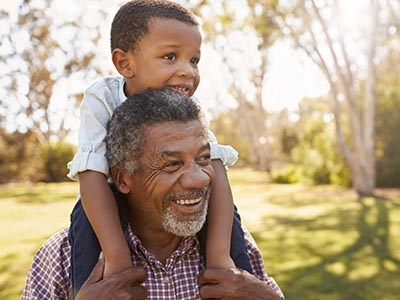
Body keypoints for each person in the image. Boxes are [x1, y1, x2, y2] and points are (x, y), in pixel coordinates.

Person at [22, 88, 284, 300]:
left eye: (204, 159)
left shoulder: (234, 246)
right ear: (123, 178)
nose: (199, 178)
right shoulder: (62, 258)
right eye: (172, 164)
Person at [66, 0, 252, 297]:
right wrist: (117, 259)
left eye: (194, 61)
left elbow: (215, 166)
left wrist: (220, 256)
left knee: (229, 220)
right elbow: (91, 174)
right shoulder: (102, 97)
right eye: (170, 56)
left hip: (171, 203)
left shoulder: (191, 108)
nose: (187, 72)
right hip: (108, 197)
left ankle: (239, 286)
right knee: (83, 224)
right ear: (125, 63)